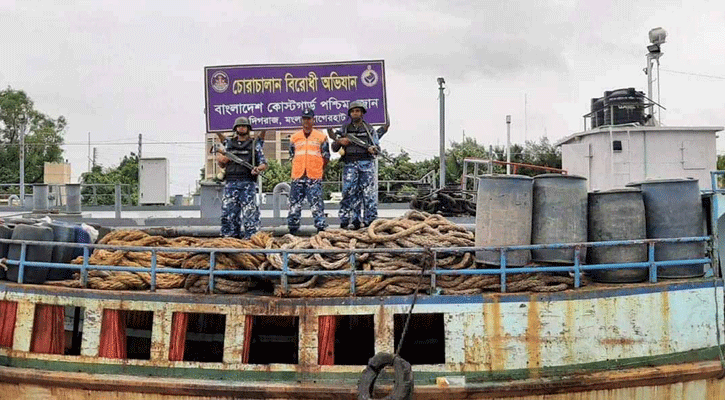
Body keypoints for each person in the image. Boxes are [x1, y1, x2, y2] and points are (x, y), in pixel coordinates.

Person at [330, 101, 390, 229]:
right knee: (348, 192)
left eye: (357, 111)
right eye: (352, 111)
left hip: (366, 163)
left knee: (368, 194)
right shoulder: (344, 129)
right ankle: (348, 220)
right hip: (350, 164)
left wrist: (372, 149)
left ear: (362, 113)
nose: (355, 113)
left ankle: (371, 221)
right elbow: (334, 147)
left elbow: (376, 146)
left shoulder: (369, 129)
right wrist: (341, 141)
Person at [215, 116, 267, 239]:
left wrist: (257, 169)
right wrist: (222, 160)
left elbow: (264, 163)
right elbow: (221, 162)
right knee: (228, 215)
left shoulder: (254, 144)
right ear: (235, 128)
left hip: (247, 183)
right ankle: (229, 241)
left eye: (244, 126)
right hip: (231, 183)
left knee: (250, 216)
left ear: (248, 128)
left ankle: (252, 242)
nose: (241, 128)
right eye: (239, 126)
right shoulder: (228, 144)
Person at [287, 109, 330, 234]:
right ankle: (293, 229)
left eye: (309, 119)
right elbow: (291, 156)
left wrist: (318, 169)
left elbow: (326, 157)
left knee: (316, 205)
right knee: (294, 205)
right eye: (304, 119)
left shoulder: (321, 137)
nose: (306, 121)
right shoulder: (294, 137)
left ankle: (321, 229)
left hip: (314, 176)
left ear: (313, 120)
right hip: (297, 176)